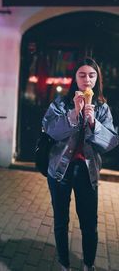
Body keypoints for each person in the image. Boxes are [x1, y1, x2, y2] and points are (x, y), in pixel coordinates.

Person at [42, 57, 119, 271]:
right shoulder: (61, 103)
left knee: (89, 224)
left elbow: (111, 141)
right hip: (59, 171)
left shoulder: (102, 108)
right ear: (75, 78)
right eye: (82, 75)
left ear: (97, 79)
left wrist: (93, 122)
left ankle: (88, 265)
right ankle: (64, 264)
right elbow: (51, 129)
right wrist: (74, 114)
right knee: (60, 221)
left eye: (91, 75)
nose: (87, 79)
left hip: (87, 172)